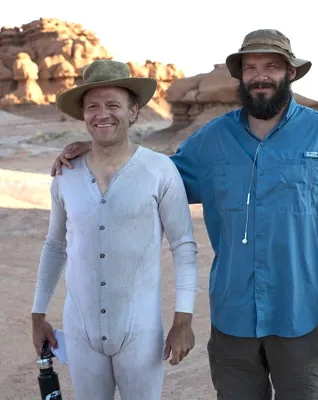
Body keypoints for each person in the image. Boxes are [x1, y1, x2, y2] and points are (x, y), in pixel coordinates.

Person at [50, 29, 318, 399]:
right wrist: (100, 147)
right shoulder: (212, 138)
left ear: (290, 73)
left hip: (300, 313)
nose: (260, 77)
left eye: (271, 67)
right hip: (233, 316)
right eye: (250, 68)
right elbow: (152, 177)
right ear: (240, 76)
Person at [31, 59, 199, 400]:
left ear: (133, 112)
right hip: (80, 331)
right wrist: (38, 314)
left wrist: (183, 320)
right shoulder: (66, 174)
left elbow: (183, 245)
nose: (102, 114)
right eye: (92, 107)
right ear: (83, 115)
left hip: (140, 331)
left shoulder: (159, 170)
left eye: (113, 105)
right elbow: (55, 245)